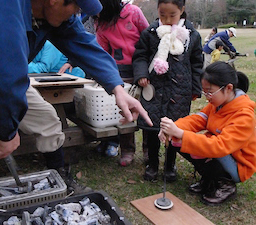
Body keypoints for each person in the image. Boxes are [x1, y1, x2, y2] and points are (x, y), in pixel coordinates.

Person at [0, 0, 152, 194]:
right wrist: (8, 132)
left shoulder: (53, 15)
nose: (76, 14)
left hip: (6, 78)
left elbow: (84, 44)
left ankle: (60, 178)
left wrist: (117, 88)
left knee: (48, 121)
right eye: (76, 8)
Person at [159, 61, 256, 205]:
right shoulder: (216, 104)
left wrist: (181, 133)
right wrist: (174, 128)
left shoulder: (244, 116)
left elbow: (220, 146)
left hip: (238, 164)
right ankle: (210, 179)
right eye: (205, 91)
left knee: (190, 142)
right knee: (177, 141)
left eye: (210, 91)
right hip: (221, 152)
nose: (207, 97)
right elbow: (198, 119)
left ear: (228, 88)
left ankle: (226, 184)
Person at [132, 0, 203, 182]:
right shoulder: (150, 32)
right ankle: (153, 164)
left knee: (175, 128)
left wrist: (195, 88)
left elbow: (197, 63)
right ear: (157, 11)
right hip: (154, 89)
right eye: (163, 15)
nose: (167, 19)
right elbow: (140, 55)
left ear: (182, 10)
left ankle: (170, 165)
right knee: (153, 127)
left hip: (180, 91)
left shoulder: (191, 35)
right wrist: (141, 74)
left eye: (172, 15)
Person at [94, 0, 149, 166]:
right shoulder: (100, 23)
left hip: (143, 67)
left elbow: (148, 36)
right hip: (119, 71)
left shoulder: (133, 12)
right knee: (124, 110)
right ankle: (127, 149)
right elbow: (102, 51)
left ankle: (148, 150)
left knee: (147, 109)